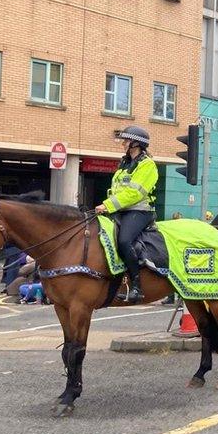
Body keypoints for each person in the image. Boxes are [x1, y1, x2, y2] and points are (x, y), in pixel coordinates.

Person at [95, 125, 159, 303]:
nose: (123, 143)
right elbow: (117, 190)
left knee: (124, 241)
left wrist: (107, 205)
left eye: (126, 140)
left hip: (140, 212)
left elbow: (135, 194)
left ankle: (137, 284)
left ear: (135, 143)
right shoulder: (124, 163)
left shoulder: (148, 165)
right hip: (121, 211)